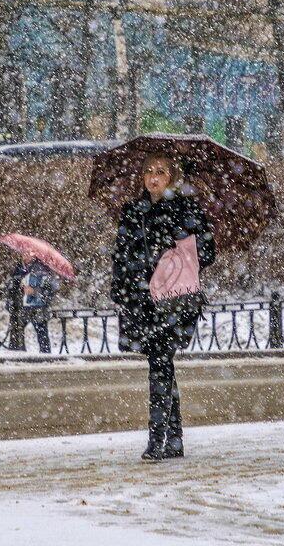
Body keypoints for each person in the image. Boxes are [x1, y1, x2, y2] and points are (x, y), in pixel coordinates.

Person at [110, 154, 215, 461]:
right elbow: (121, 254)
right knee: (161, 364)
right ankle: (176, 438)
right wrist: (123, 289)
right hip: (142, 298)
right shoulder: (132, 211)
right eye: (148, 171)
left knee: (159, 362)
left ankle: (157, 438)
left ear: (172, 177)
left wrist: (181, 237)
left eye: (161, 171)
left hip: (173, 301)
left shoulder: (186, 209)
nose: (153, 177)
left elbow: (207, 253)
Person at [5, 252, 60, 353]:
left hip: (38, 307)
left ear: (35, 254)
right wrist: (18, 288)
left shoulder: (43, 269)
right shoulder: (17, 268)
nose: (26, 255)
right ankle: (17, 354)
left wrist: (35, 291)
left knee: (41, 332)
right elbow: (10, 285)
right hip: (20, 306)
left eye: (30, 252)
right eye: (25, 252)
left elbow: (52, 288)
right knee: (16, 332)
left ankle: (45, 356)